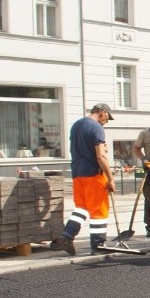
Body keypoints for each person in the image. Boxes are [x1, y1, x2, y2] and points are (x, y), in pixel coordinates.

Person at [50, 103, 116, 255]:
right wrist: (110, 178)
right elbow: (100, 155)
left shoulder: (76, 125)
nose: (107, 121)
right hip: (93, 174)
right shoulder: (96, 127)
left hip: (78, 173)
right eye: (108, 117)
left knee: (82, 208)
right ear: (102, 112)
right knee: (99, 210)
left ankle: (67, 235)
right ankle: (98, 245)